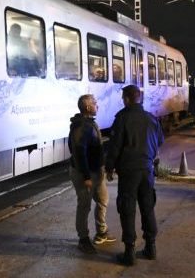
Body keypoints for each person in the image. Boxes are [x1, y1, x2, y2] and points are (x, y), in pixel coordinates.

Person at [106, 85, 164, 265]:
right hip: (147, 170)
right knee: (148, 207)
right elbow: (160, 141)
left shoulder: (122, 118)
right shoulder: (151, 118)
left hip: (128, 172)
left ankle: (129, 252)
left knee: (127, 208)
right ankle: (151, 248)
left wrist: (109, 167)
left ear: (126, 99)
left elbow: (114, 147)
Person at [68, 94, 116, 255]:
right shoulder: (82, 126)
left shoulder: (89, 123)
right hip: (85, 173)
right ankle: (83, 240)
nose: (98, 105)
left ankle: (101, 232)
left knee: (103, 199)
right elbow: (79, 153)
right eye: (95, 103)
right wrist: (86, 177)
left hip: (96, 171)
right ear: (88, 107)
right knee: (84, 206)